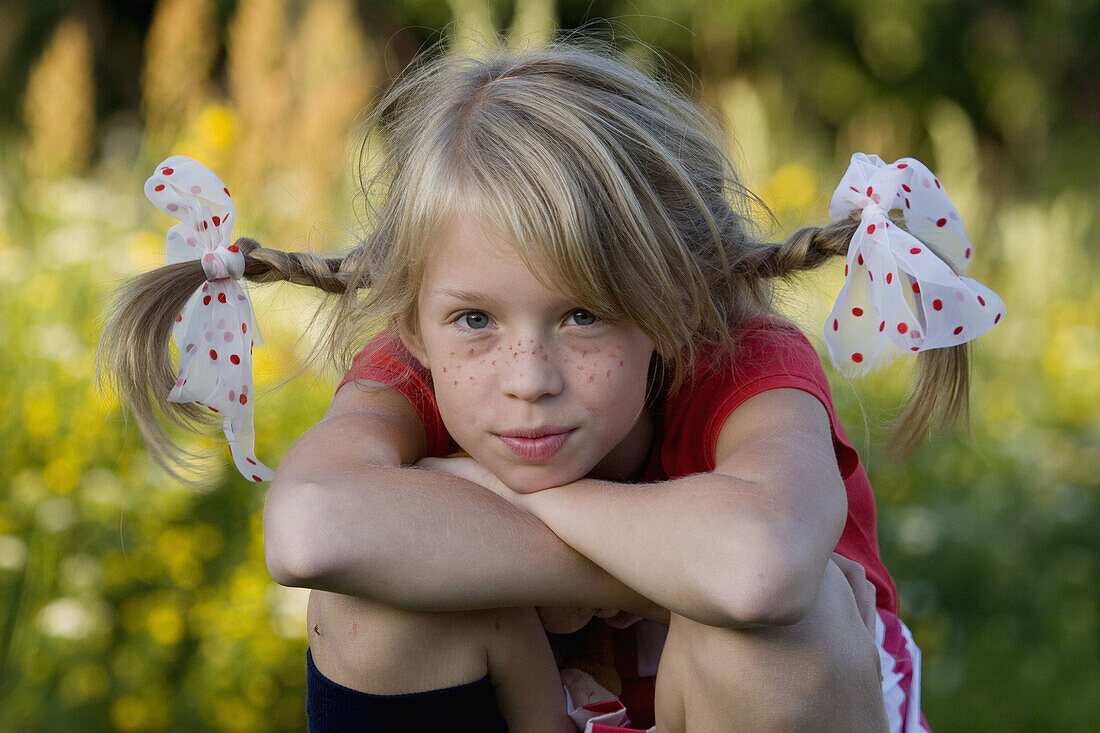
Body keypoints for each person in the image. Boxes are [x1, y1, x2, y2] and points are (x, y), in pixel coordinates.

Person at [99, 41, 1005, 733]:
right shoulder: (410, 371)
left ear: (674, 304)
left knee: (769, 635)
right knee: (370, 603)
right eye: (475, 322)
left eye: (584, 316)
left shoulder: (747, 364)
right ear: (412, 322)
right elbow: (308, 529)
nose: (527, 379)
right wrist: (647, 569)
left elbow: (756, 569)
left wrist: (484, 496)